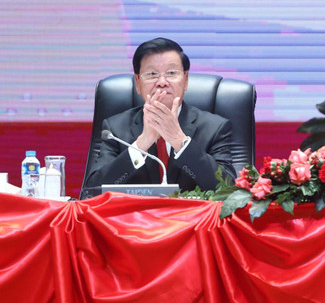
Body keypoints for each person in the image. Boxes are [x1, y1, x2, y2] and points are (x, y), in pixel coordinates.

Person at [85, 38, 235, 191]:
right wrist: (141, 145)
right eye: (152, 74)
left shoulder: (215, 128)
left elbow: (228, 190)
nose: (162, 82)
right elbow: (93, 192)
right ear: (137, 83)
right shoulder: (114, 129)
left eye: (171, 73)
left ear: (186, 80)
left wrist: (179, 141)